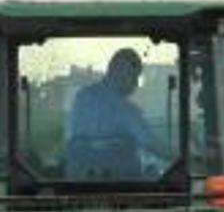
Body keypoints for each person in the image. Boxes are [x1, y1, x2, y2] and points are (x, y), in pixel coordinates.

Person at [65, 48, 170, 179]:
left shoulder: (81, 97)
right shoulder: (126, 111)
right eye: (134, 76)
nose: (136, 83)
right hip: (122, 185)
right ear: (119, 73)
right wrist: (180, 157)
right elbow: (150, 142)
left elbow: (71, 138)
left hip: (76, 183)